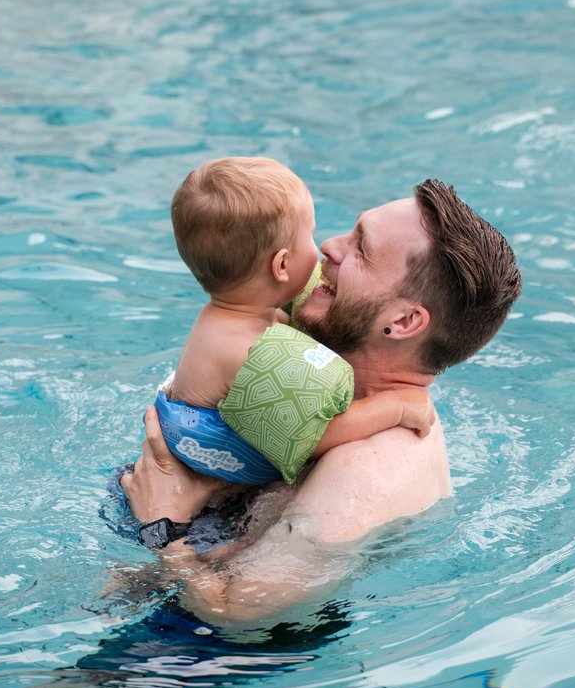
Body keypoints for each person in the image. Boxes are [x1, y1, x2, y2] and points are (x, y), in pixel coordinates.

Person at [121, 180, 522, 625]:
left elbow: (235, 615)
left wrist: (162, 525)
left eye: (361, 250)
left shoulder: (362, 474)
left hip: (201, 664)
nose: (330, 247)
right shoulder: (310, 381)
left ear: (404, 321)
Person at [153, 156, 434, 507]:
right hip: (196, 504)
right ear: (282, 265)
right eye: (310, 235)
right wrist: (395, 407)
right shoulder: (248, 352)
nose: (325, 247)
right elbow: (313, 437)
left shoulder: (232, 317)